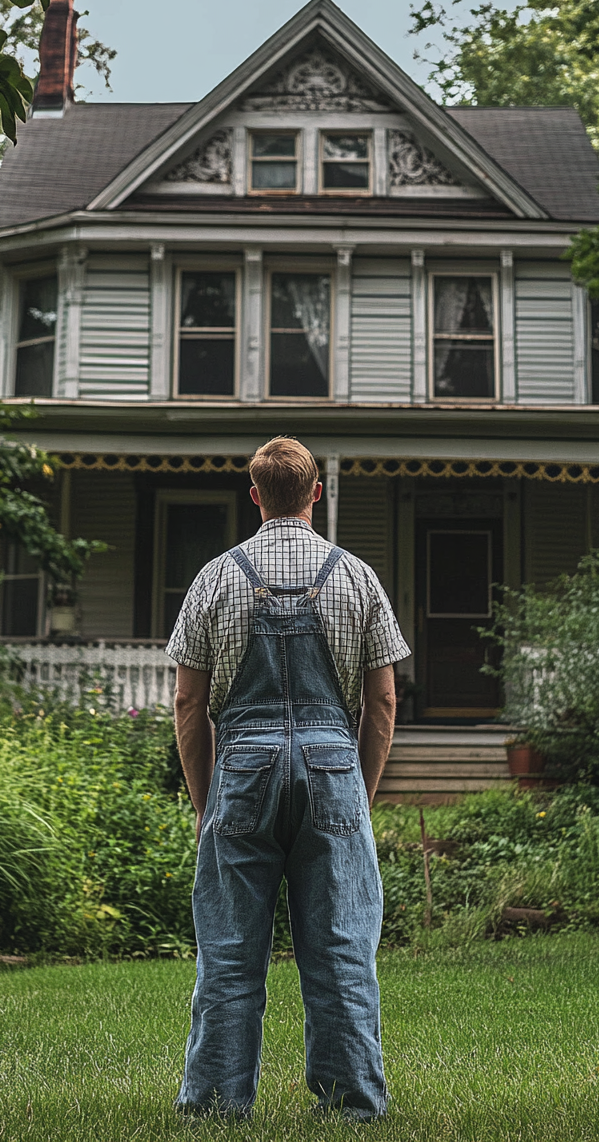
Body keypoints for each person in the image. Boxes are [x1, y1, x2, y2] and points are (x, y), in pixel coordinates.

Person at [166, 435, 410, 1120]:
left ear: (254, 496)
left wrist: (206, 802)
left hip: (241, 769)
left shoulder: (214, 578)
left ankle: (215, 1108)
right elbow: (384, 700)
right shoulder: (358, 577)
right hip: (333, 767)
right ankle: (352, 1107)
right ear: (315, 493)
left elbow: (188, 701)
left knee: (230, 955)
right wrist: (356, 797)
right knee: (340, 954)